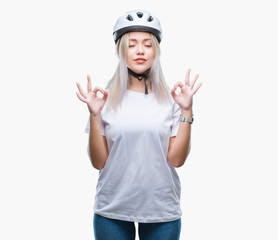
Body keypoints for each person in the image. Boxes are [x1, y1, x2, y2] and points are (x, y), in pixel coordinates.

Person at [76, 9, 202, 240]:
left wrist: (186, 109)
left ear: (156, 50)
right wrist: (95, 115)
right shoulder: (104, 99)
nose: (140, 51)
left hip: (161, 210)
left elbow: (177, 159)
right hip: (112, 208)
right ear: (121, 50)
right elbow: (98, 162)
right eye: (132, 44)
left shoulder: (172, 99)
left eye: (147, 44)